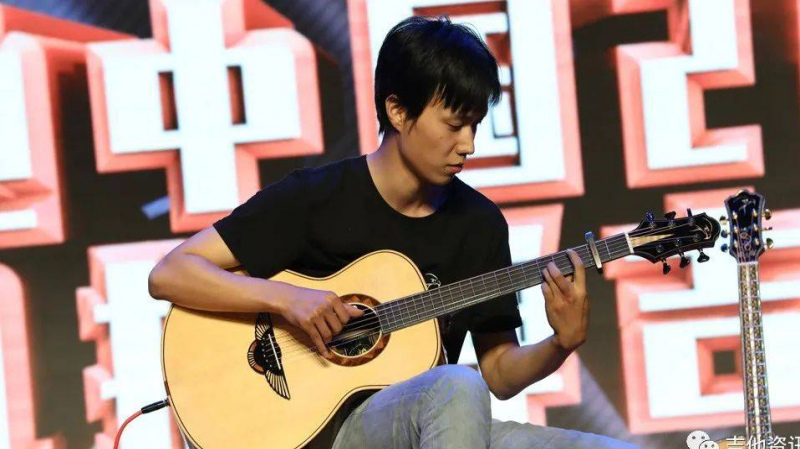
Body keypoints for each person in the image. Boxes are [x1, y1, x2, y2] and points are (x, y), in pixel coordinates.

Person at [148, 15, 637, 449]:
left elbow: (498, 373)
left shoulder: (479, 224)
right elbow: (170, 273)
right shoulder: (316, 197)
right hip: (315, 433)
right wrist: (285, 299)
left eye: (475, 125)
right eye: (454, 125)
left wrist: (560, 344)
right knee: (457, 383)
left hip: (429, 426)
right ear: (399, 111)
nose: (468, 145)